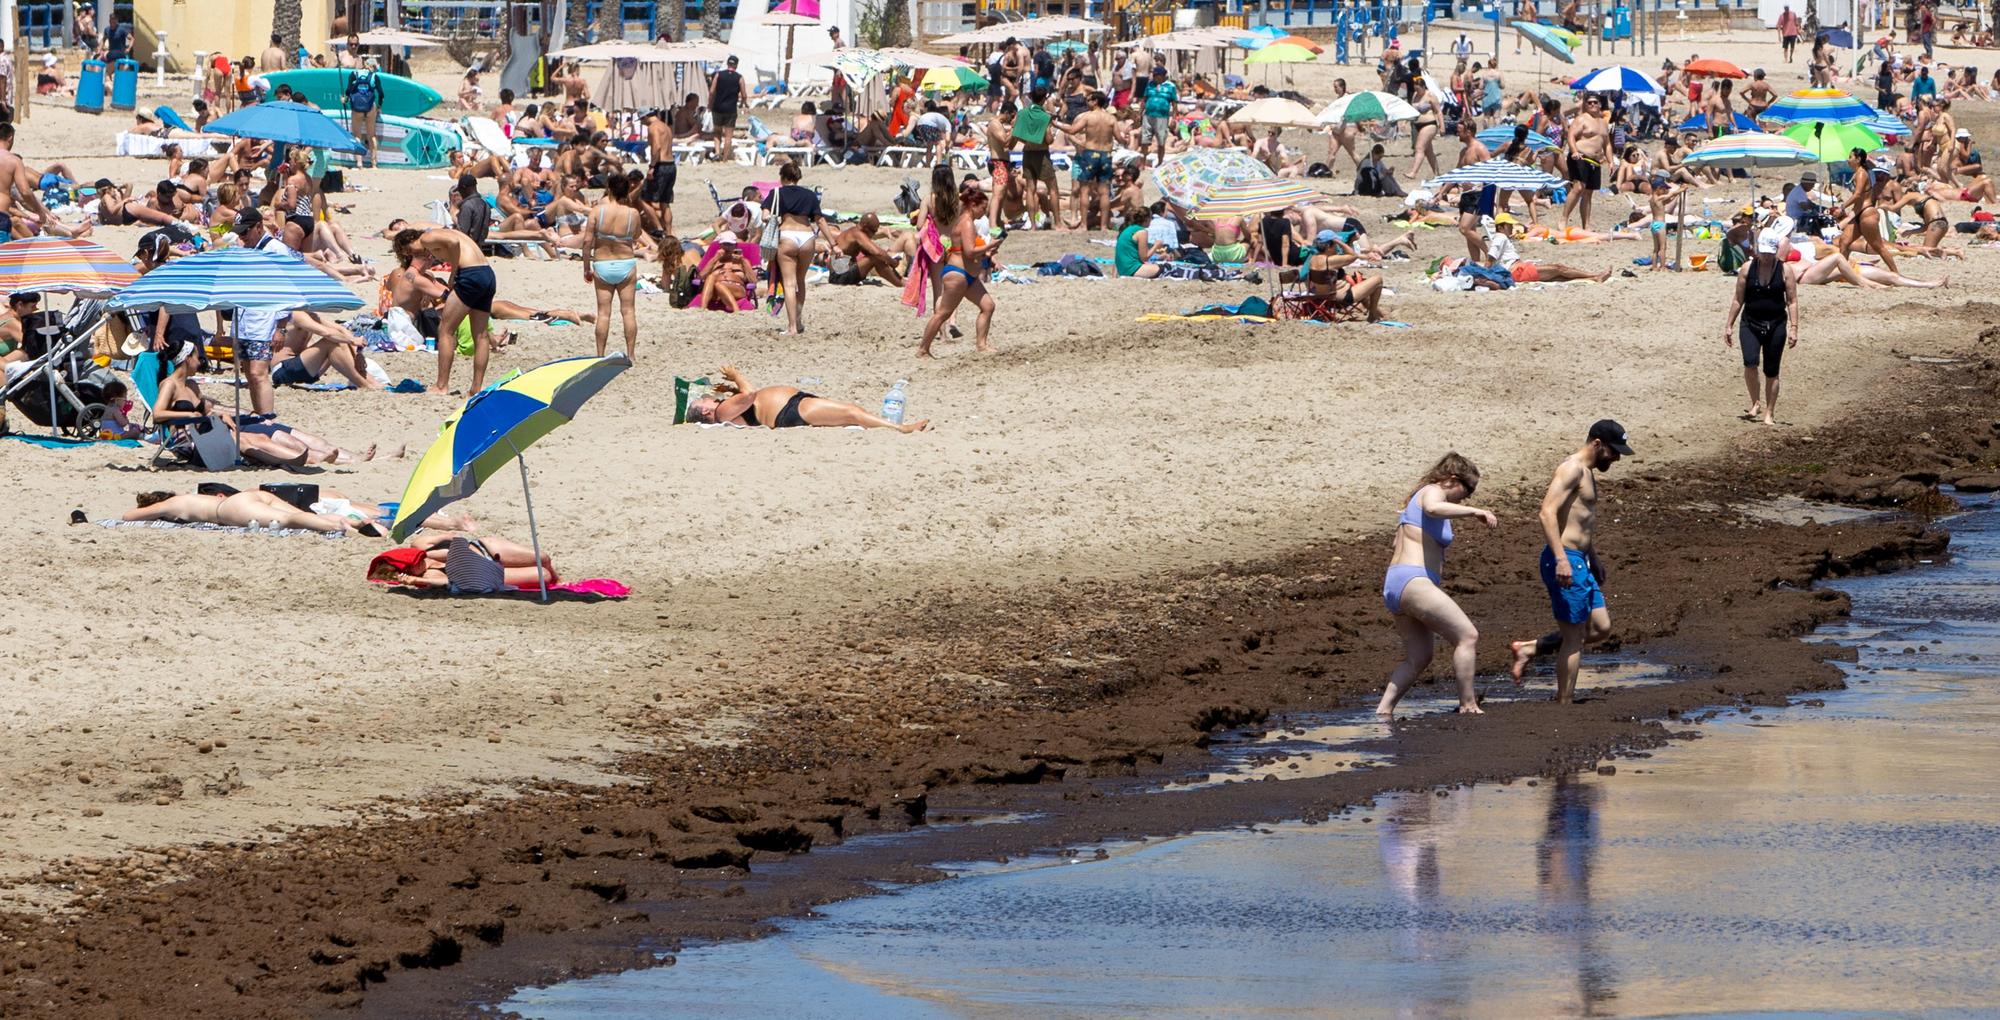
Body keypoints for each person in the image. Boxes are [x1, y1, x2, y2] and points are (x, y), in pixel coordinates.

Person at [1507, 420, 1634, 703]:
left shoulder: (1587, 472)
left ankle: (1529, 649)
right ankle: (1564, 702)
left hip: (1581, 560)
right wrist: (1561, 558)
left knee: (1600, 628)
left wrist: (1594, 557)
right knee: (1574, 637)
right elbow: (1546, 513)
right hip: (1566, 560)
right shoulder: (1571, 469)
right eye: (1614, 452)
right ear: (1597, 443)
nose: (1616, 458)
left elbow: (1580, 521)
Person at [1375, 453, 1497, 718]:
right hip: (1414, 581)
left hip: (1397, 584)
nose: (1468, 497)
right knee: (1467, 636)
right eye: (1468, 490)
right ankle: (1468, 705)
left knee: (1419, 657)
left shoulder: (1413, 503)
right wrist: (1476, 511)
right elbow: (1433, 507)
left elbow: (1398, 543)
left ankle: (1383, 712)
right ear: (1453, 480)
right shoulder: (1432, 492)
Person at [392, 227, 497, 396]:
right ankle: (475, 389)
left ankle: (441, 386)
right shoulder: (441, 236)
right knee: (481, 335)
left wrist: (454, 272)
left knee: (445, 330)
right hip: (486, 273)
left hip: (469, 274)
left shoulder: (427, 237)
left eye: (409, 251)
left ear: (410, 243)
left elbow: (453, 243)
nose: (413, 254)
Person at [686, 364, 931, 433]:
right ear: (707, 412)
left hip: (795, 404)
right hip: (789, 411)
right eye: (703, 401)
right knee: (851, 412)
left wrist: (729, 389)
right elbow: (749, 394)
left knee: (848, 414)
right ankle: (901, 428)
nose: (707, 397)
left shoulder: (726, 408)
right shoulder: (721, 413)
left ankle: (890, 426)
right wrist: (736, 376)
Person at [919, 175, 1000, 357]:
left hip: (967, 274)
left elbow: (968, 250)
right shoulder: (967, 222)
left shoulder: (965, 221)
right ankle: (923, 349)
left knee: (988, 306)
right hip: (958, 273)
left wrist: (988, 251)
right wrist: (990, 245)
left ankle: (981, 345)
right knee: (942, 314)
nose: (983, 212)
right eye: (982, 208)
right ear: (973, 205)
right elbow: (970, 252)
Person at [1723, 231, 1799, 426]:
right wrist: (1729, 325)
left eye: (1768, 253)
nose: (1765, 257)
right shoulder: (1748, 269)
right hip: (1751, 322)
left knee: (1772, 371)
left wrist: (1794, 328)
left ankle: (1769, 412)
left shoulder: (1785, 271)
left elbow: (1792, 301)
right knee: (1750, 363)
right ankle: (1755, 402)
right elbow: (1738, 299)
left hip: (1776, 324)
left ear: (1775, 251)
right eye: (1762, 253)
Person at [763, 160, 834, 336]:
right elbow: (820, 220)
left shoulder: (777, 193)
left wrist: (774, 219)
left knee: (789, 283)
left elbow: (765, 216)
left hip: (787, 236)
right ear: (798, 177)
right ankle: (799, 320)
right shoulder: (809, 195)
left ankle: (792, 327)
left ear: (782, 177)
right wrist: (834, 244)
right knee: (800, 280)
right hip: (807, 238)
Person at [122, 490, 373, 536]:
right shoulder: (187, 497)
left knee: (288, 521)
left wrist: (151, 512)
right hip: (247, 496)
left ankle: (339, 528)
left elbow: (128, 517)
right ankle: (355, 520)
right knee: (301, 514)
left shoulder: (173, 504)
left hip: (229, 509)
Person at [582, 172, 642, 359]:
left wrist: (586, 267)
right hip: (626, 263)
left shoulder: (597, 211)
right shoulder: (632, 213)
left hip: (602, 263)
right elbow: (636, 235)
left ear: (609, 189)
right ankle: (630, 355)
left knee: (604, 313)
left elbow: (587, 242)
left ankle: (600, 355)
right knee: (628, 311)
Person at [368, 532, 557, 589]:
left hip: (486, 549)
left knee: (543, 558)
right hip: (486, 571)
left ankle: (561, 580)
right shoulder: (429, 575)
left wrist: (431, 555)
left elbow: (454, 537)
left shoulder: (420, 543)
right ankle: (556, 582)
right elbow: (445, 582)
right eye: (408, 571)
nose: (413, 568)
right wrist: (420, 581)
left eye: (409, 564)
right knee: (544, 576)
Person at [1563, 94, 1610, 228]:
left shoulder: (1603, 123)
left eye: (1595, 102)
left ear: (1600, 104)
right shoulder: (1581, 119)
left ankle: (1586, 224)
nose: (1592, 105)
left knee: (1588, 193)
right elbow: (1571, 135)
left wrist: (1611, 161)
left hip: (1595, 161)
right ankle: (1564, 219)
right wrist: (1574, 151)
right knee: (1578, 188)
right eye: (1589, 103)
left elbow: (1607, 144)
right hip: (1581, 157)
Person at [345, 56, 382, 169]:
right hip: (370, 108)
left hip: (356, 109)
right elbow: (381, 94)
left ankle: (359, 164)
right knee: (372, 136)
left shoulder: (354, 74)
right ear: (372, 66)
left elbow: (348, 90)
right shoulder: (374, 77)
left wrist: (345, 99)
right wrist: (379, 106)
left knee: (357, 135)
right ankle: (374, 164)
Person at [709, 55, 748, 163]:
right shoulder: (739, 77)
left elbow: (712, 91)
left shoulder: (718, 75)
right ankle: (725, 159)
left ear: (727, 64)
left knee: (717, 132)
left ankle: (717, 153)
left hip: (717, 108)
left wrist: (710, 104)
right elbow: (744, 95)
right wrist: (742, 103)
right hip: (730, 109)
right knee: (728, 136)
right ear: (736, 65)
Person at [1140, 65, 1177, 166]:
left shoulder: (1171, 87)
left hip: (1162, 117)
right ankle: (1142, 162)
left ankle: (1160, 162)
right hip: (1148, 115)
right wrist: (1140, 114)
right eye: (1154, 75)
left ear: (1162, 76)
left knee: (1161, 141)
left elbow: (1174, 103)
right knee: (1145, 140)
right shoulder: (1149, 85)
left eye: (1157, 75)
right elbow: (1144, 100)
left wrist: (1173, 118)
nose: (1155, 77)